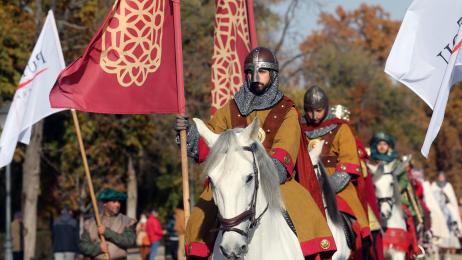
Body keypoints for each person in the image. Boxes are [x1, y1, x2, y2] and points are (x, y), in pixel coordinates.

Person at [176, 47, 335, 259]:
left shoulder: (286, 110)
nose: (255, 77)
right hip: (234, 178)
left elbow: (285, 149)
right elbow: (212, 137)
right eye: (250, 72)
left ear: (273, 75)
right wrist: (189, 133)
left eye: (262, 71)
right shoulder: (233, 108)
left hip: (276, 182)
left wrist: (267, 171)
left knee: (307, 212)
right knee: (197, 219)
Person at [301, 87, 371, 254]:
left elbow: (348, 161)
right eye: (310, 111)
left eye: (318, 111)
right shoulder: (298, 126)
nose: (314, 116)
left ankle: (359, 245)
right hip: (304, 180)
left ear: (326, 107)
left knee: (355, 219)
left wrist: (327, 186)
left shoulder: (341, 128)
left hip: (336, 183)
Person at [330, 104, 383, 260]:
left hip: (348, 185)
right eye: (335, 119)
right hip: (320, 179)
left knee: (365, 226)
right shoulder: (320, 134)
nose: (338, 121)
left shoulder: (355, 141)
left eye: (341, 119)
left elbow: (361, 170)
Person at [367, 132, 423, 257]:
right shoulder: (371, 162)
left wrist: (395, 189)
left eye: (384, 144)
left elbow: (404, 179)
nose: (382, 146)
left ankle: (415, 247)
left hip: (396, 197)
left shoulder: (396, 163)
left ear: (389, 146)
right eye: (379, 144)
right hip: (375, 197)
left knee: (408, 214)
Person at [79, 188, 136, 259]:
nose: (117, 205)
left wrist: (107, 232)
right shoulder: (91, 223)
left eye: (119, 202)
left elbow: (130, 241)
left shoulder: (126, 221)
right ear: (105, 203)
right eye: (114, 201)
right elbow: (82, 246)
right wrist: (98, 248)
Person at [431, 171, 462, 255]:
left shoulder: (448, 186)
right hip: (437, 206)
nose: (441, 178)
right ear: (438, 177)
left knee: (450, 214)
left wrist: (444, 193)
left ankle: (454, 229)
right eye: (440, 177)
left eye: (442, 177)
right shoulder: (434, 185)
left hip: (447, 206)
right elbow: (431, 198)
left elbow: (452, 199)